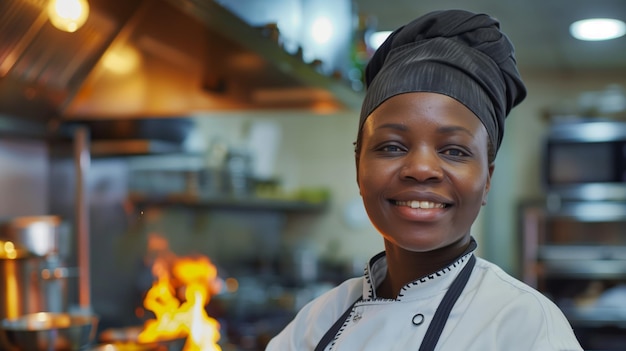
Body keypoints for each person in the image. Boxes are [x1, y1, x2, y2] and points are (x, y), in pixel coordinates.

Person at [265, 9, 583, 351]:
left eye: (455, 151)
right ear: (359, 166)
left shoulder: (526, 326)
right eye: (391, 146)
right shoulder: (317, 321)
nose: (421, 168)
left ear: (487, 178)